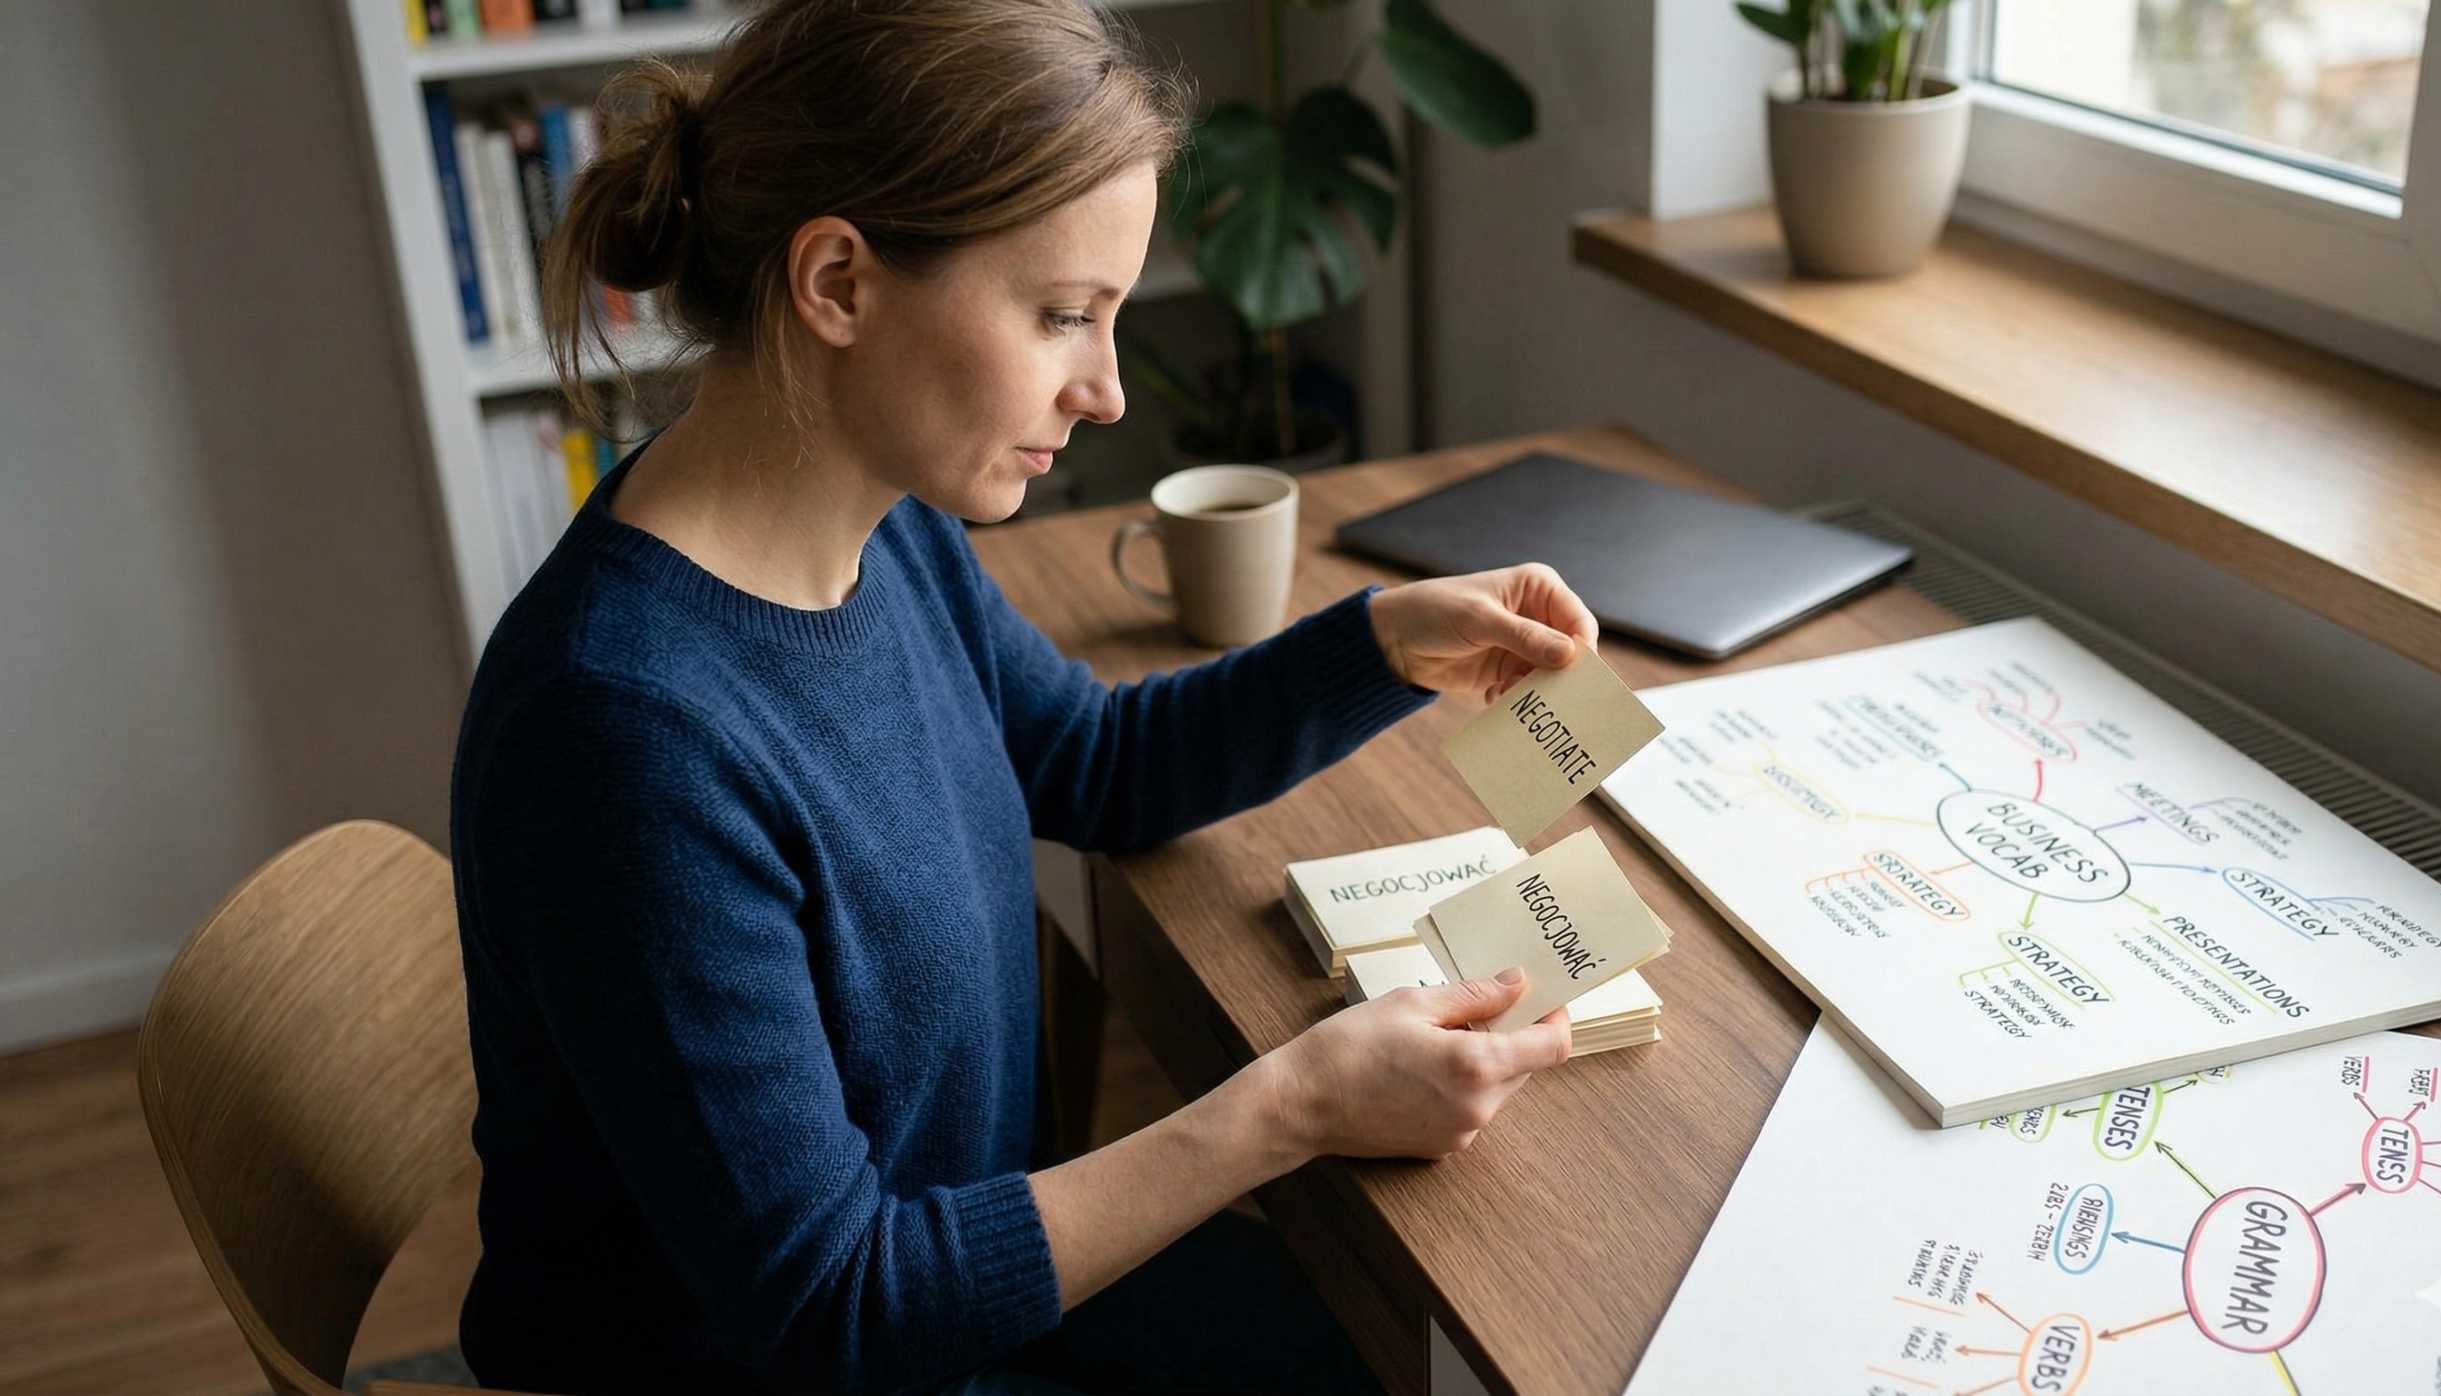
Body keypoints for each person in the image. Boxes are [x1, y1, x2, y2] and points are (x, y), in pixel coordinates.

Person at [448, 1, 1597, 1391]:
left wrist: (1381, 643)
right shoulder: (623, 737)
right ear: (838, 283)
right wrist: (1288, 1108)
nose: (1105, 391)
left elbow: (1096, 762)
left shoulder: (884, 526)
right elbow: (833, 1308)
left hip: (965, 1277)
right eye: (1062, 316)